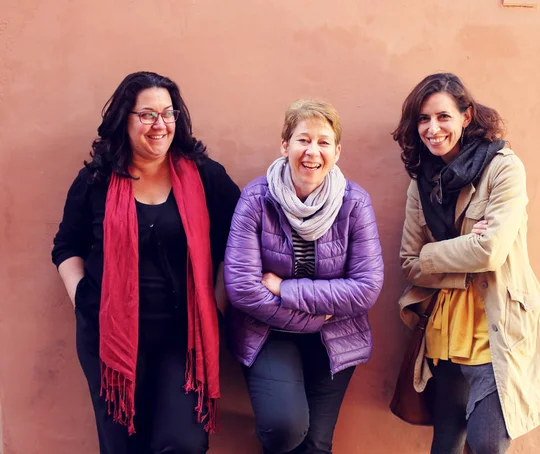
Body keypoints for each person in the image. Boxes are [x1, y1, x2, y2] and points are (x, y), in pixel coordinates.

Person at [51, 71, 240, 454]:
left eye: (168, 113)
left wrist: (217, 299)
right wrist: (83, 299)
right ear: (126, 119)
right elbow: (66, 245)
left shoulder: (205, 176)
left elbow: (240, 239)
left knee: (183, 444)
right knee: (123, 447)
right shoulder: (96, 180)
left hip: (183, 339)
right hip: (111, 338)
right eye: (148, 114)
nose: (160, 125)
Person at [393, 73, 540, 454]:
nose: (432, 129)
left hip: (498, 324)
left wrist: (442, 252)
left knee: (487, 443)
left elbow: (491, 253)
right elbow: (410, 263)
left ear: (466, 116)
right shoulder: (421, 182)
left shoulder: (504, 167)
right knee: (446, 444)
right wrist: (469, 244)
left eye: (443, 117)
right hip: (445, 326)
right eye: (423, 119)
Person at [224, 99, 384, 454]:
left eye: (324, 142)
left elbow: (366, 288)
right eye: (303, 140)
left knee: (314, 444)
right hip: (268, 334)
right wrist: (312, 314)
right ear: (285, 145)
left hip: (336, 338)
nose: (313, 152)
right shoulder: (256, 199)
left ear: (337, 151)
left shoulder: (355, 203)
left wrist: (284, 289)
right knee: (284, 429)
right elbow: (242, 288)